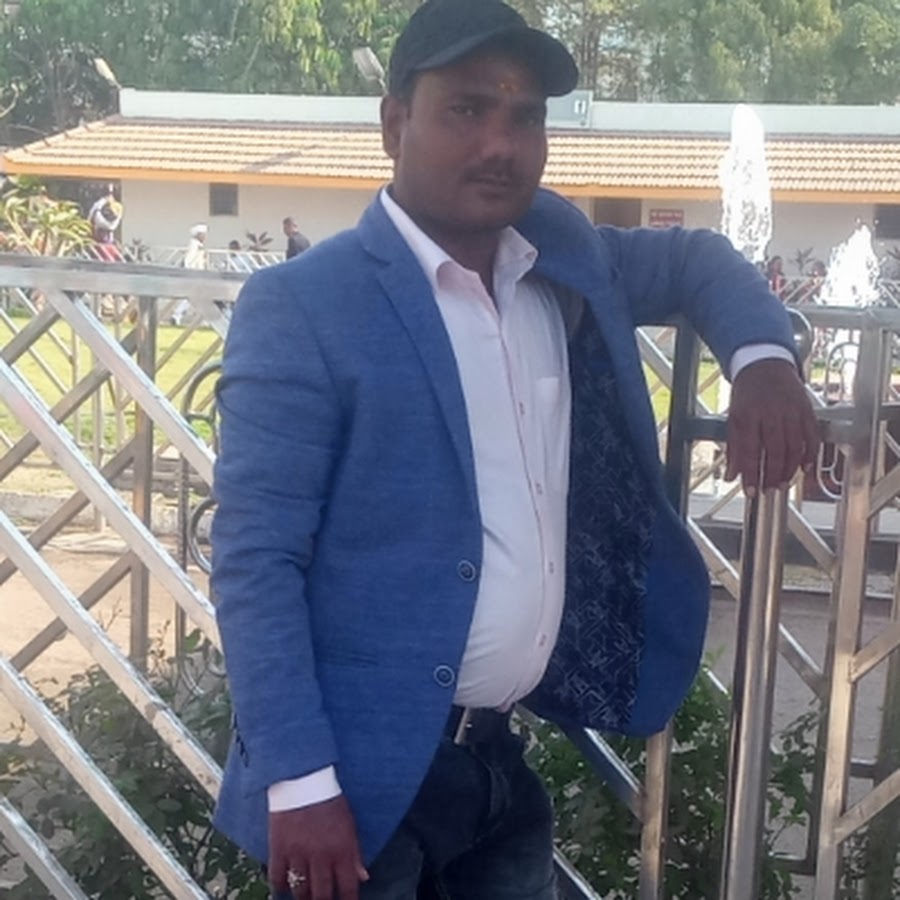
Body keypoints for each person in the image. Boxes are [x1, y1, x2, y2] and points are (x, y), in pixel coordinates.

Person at [211, 2, 819, 898]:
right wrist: (297, 781)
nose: (500, 143)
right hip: (359, 787)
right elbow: (255, 559)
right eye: (466, 109)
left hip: (498, 766)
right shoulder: (305, 307)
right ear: (394, 123)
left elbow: (697, 258)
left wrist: (764, 359)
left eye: (525, 116)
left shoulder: (558, 258)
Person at [171, 224, 207, 325]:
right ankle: (178, 315)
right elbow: (189, 260)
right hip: (194, 275)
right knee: (194, 297)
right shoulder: (194, 245)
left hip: (198, 275)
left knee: (193, 298)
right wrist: (191, 273)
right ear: (198, 235)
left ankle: (178, 315)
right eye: (203, 234)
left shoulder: (198, 245)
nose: (205, 237)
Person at [87, 183, 123, 261]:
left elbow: (113, 225)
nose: (110, 195)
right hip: (98, 236)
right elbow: (91, 219)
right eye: (108, 193)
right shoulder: (98, 205)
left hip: (109, 238)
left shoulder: (116, 206)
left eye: (112, 193)